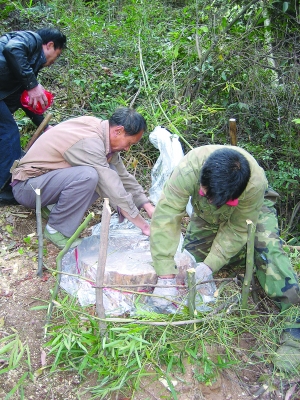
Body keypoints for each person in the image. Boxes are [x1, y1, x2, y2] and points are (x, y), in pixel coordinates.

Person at [150, 145, 300, 372]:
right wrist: (165, 273)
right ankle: (237, 256)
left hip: (252, 209)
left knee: (268, 252)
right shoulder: (188, 170)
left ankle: (294, 324)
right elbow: (167, 216)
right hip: (206, 212)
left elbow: (239, 228)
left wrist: (210, 265)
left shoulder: (254, 184)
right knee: (190, 259)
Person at [10, 107, 154, 248]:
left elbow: (123, 176)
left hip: (43, 184)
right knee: (90, 176)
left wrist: (146, 205)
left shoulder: (101, 132)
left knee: (105, 171)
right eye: (129, 143)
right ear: (118, 131)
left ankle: (53, 208)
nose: (128, 149)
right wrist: (144, 226)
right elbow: (112, 188)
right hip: (27, 188)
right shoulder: (90, 142)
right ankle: (56, 229)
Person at [0, 27, 67, 203]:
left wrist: (45, 126)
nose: (54, 61)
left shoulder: (28, 67)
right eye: (57, 55)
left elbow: (26, 103)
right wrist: (32, 84)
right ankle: (5, 187)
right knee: (8, 133)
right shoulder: (32, 39)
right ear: (50, 45)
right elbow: (12, 49)